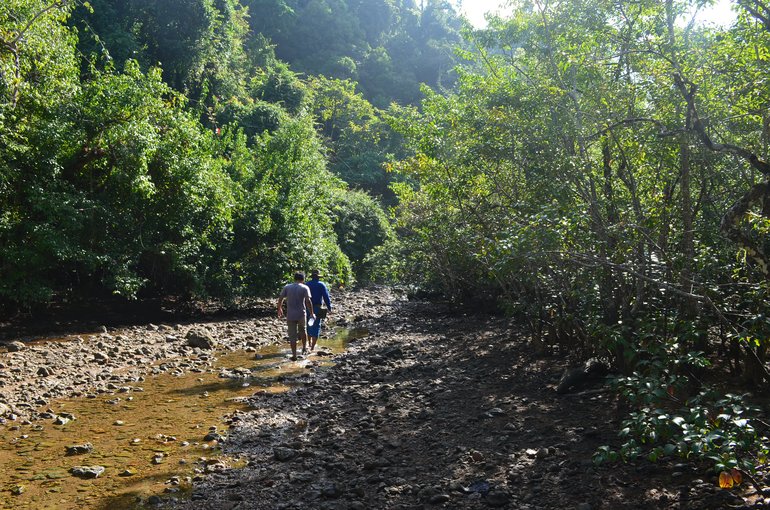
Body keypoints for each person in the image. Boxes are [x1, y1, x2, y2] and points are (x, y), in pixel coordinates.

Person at [277, 272, 316, 360]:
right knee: (303, 330)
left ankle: (294, 355)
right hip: (301, 314)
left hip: (290, 315)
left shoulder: (287, 287)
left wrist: (279, 308)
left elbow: (281, 298)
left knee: (292, 336)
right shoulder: (305, 287)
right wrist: (312, 313)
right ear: (303, 279)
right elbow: (308, 301)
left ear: (294, 278)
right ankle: (304, 348)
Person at [306, 269, 332, 352]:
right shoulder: (321, 285)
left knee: (308, 324)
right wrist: (329, 307)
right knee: (316, 325)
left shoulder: (307, 284)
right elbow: (326, 297)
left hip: (307, 307)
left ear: (312, 276)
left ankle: (309, 343)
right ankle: (313, 347)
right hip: (317, 307)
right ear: (318, 277)